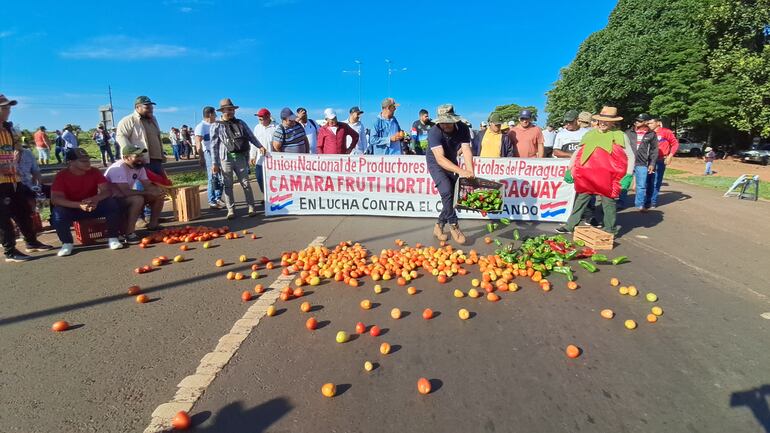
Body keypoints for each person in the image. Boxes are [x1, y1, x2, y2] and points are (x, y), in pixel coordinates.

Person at [557, 106, 635, 235]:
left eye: (607, 121)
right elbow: (577, 153)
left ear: (613, 122)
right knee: (581, 200)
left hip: (608, 178)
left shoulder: (619, 135)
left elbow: (630, 155)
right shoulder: (590, 134)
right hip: (587, 176)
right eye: (601, 120)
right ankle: (570, 225)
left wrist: (628, 175)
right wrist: (570, 169)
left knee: (608, 203)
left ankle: (609, 229)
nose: (603, 123)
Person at [1, 94, 54, 262]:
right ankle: (10, 251)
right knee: (3, 218)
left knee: (22, 212)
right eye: (4, 108)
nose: (8, 111)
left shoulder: (8, 129)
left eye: (9, 107)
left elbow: (16, 145)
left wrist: (17, 149)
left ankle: (31, 242)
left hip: (13, 179)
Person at [51, 148, 123, 256]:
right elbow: (55, 199)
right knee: (58, 213)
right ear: (70, 162)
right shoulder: (62, 175)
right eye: (83, 161)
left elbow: (106, 191)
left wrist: (95, 199)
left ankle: (113, 237)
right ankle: (67, 243)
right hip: (72, 208)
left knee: (111, 204)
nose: (88, 163)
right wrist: (79, 205)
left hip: (93, 205)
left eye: (88, 160)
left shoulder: (95, 171)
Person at [426, 104, 474, 244]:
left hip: (451, 159)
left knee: (452, 195)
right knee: (446, 191)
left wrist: (470, 171)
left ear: (454, 119)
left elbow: (466, 149)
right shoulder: (434, 132)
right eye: (442, 122)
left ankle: (439, 225)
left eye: (448, 122)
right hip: (436, 161)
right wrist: (461, 171)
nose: (445, 125)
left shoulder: (463, 128)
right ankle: (454, 225)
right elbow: (440, 159)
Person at [210, 98, 264, 219]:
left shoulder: (240, 123)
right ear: (222, 111)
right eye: (228, 110)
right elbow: (214, 146)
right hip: (225, 159)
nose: (231, 112)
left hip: (240, 158)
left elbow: (250, 136)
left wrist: (259, 146)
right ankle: (231, 210)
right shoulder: (216, 125)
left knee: (246, 183)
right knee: (227, 185)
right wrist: (215, 163)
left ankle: (251, 207)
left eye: (232, 110)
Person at [105, 144, 165, 242]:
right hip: (112, 199)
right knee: (138, 199)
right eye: (137, 156)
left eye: (141, 156)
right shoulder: (118, 168)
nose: (141, 158)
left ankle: (153, 225)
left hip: (124, 196)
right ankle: (129, 233)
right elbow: (126, 191)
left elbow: (147, 184)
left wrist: (158, 190)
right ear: (126, 157)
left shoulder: (139, 167)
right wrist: (147, 192)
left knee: (158, 195)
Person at [116, 96, 166, 176]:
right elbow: (121, 137)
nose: (150, 109)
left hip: (156, 161)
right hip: (142, 161)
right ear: (137, 107)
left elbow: (157, 138)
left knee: (160, 186)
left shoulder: (153, 120)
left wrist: (162, 156)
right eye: (147, 107)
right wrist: (132, 154)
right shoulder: (128, 120)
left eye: (151, 107)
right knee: (145, 186)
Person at [621, 113, 658, 211]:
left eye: (640, 121)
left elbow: (654, 150)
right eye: (636, 120)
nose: (637, 122)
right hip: (628, 162)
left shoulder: (651, 134)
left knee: (641, 185)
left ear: (646, 122)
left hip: (642, 163)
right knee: (624, 183)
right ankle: (620, 203)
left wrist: (652, 163)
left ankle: (639, 205)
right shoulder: (628, 132)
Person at [646, 116, 679, 208]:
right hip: (648, 160)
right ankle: (647, 200)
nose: (649, 125)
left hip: (660, 160)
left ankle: (653, 201)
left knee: (656, 181)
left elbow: (675, 144)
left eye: (651, 123)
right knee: (648, 181)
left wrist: (670, 156)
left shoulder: (665, 132)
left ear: (658, 123)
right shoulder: (647, 133)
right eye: (648, 123)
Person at [195, 106, 224, 209]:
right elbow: (198, 142)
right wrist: (201, 157)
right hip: (209, 153)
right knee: (212, 176)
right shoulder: (201, 126)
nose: (216, 116)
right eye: (215, 114)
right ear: (210, 114)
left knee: (221, 177)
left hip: (219, 152)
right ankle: (211, 200)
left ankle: (218, 197)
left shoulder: (216, 124)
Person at [250, 108, 277, 197]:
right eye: (259, 119)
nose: (260, 121)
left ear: (268, 117)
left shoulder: (276, 127)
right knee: (259, 178)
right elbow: (253, 142)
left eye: (262, 119)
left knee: (273, 180)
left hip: (273, 160)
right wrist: (252, 156)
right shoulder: (257, 128)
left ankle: (273, 197)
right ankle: (265, 195)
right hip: (260, 159)